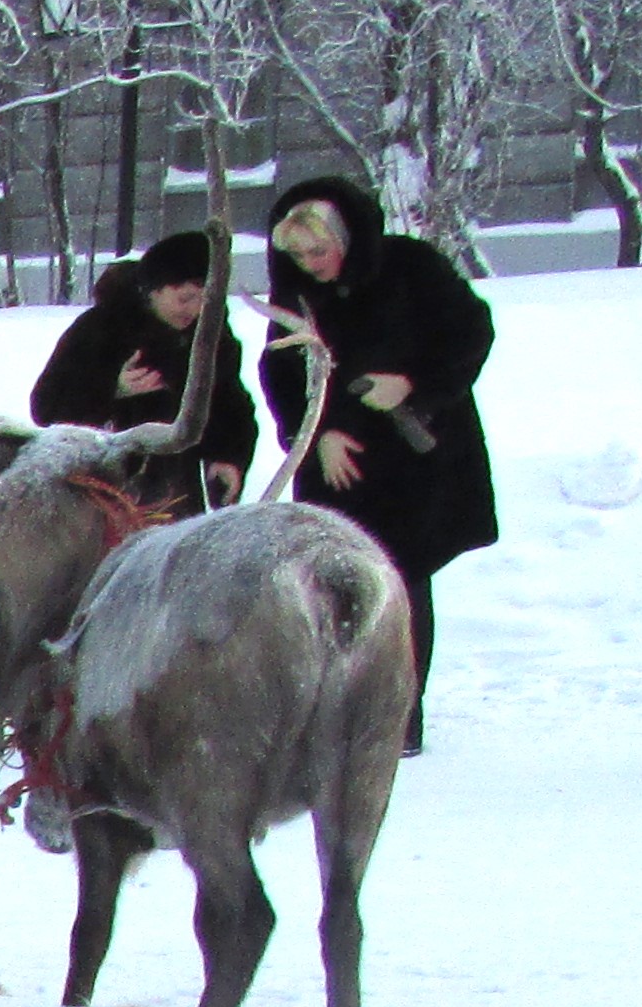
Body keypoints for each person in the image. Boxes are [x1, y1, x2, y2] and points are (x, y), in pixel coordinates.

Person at [260, 172, 495, 743]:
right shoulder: (297, 295)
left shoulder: (412, 267)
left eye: (321, 250)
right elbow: (281, 370)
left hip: (417, 457)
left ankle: (399, 717)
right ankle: (341, 710)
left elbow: (471, 332)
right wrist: (315, 436)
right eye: (300, 254)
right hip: (339, 467)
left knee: (403, 581)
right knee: (336, 582)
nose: (313, 263)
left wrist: (412, 386)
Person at [28, 230, 257, 514]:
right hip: (100, 492)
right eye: (185, 298)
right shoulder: (102, 327)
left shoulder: (211, 334)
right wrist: (112, 389)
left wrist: (228, 458)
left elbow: (229, 405)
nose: (194, 310)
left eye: (204, 300)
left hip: (176, 493)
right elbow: (46, 409)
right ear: (155, 289)